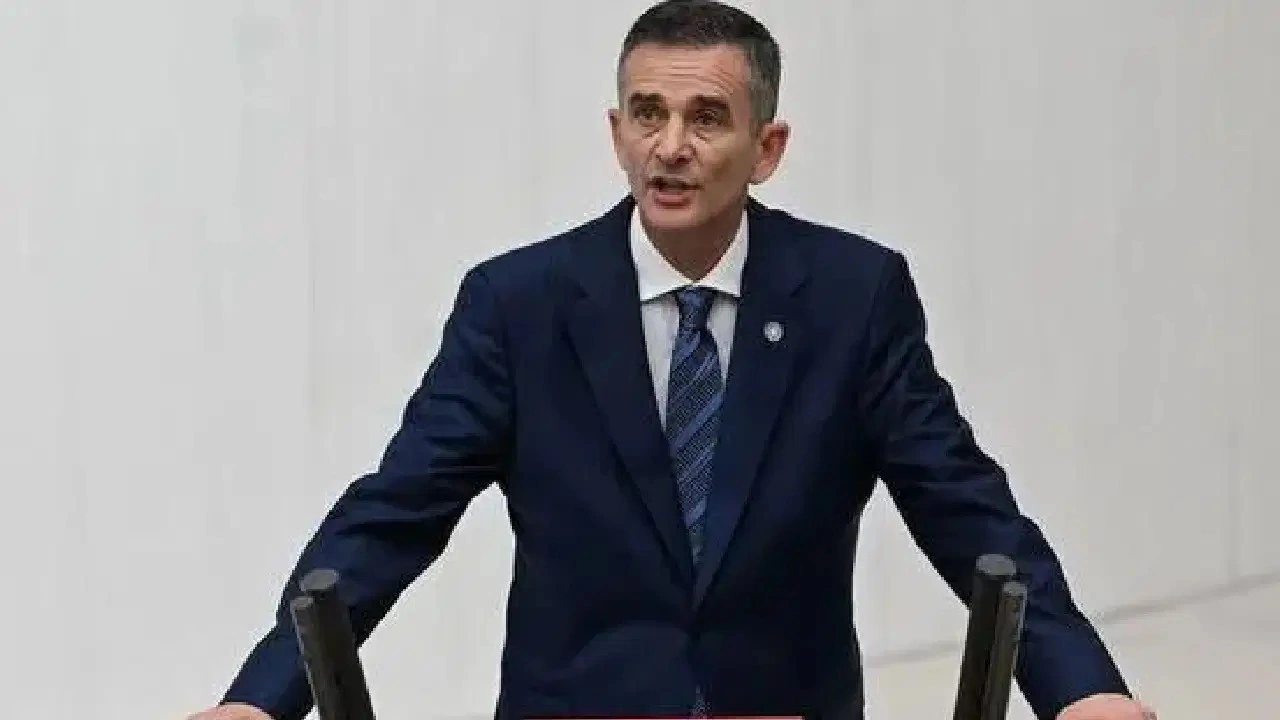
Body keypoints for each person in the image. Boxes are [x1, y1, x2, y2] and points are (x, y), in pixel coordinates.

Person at [189, 2, 1157, 719]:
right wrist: (259, 698)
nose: (671, 146)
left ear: (766, 146)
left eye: (706, 118)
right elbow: (393, 514)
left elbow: (964, 506)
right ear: (616, 132)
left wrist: (1081, 690)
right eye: (647, 114)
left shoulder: (852, 297)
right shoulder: (519, 305)